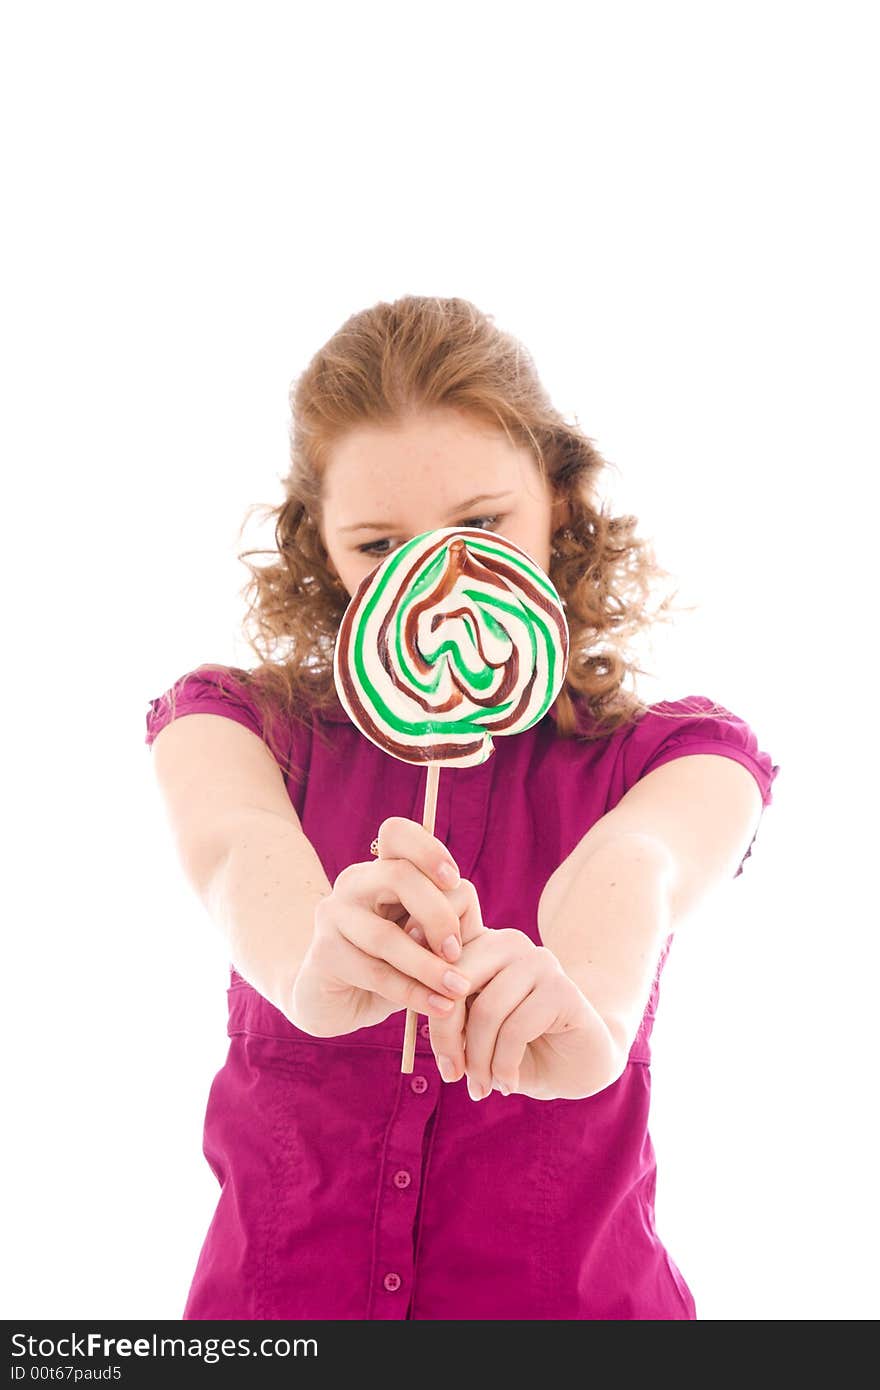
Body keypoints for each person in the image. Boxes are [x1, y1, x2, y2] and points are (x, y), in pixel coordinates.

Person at [144, 294, 779, 1320]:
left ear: (559, 501)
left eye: (482, 525)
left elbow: (639, 863)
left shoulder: (674, 757)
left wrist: (586, 997)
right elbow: (232, 846)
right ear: (321, 547)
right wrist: (306, 957)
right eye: (377, 545)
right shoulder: (240, 727)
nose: (436, 582)